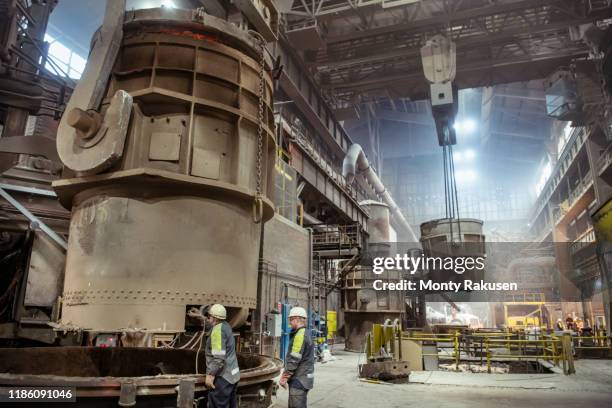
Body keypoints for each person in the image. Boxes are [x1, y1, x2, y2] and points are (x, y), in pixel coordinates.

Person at [204, 304, 240, 408]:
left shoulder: (217, 331)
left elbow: (218, 358)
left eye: (209, 317)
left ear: (214, 318)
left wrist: (210, 375)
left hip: (223, 378)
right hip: (233, 376)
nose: (208, 318)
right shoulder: (226, 326)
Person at [279, 306, 315, 408]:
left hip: (299, 379)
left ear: (296, 319)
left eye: (291, 320)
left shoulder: (300, 335)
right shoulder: (307, 332)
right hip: (305, 378)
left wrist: (284, 377)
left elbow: (294, 359)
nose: (290, 322)